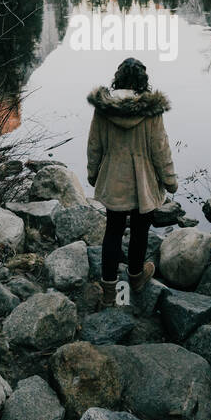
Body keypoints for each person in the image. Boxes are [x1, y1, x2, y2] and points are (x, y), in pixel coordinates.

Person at [86, 57, 177, 300]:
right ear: (143, 82)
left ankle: (109, 290)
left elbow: (94, 145)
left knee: (113, 231)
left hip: (113, 178)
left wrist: (93, 174)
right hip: (143, 182)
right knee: (139, 231)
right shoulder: (151, 112)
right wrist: (170, 180)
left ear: (118, 79)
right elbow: (161, 150)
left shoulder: (104, 109)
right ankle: (136, 278)